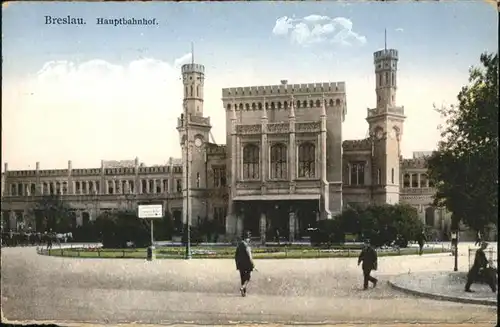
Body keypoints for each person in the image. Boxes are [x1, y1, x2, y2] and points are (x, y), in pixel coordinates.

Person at [235, 232, 255, 297]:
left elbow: (236, 255)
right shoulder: (247, 246)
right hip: (247, 264)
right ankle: (243, 287)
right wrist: (253, 264)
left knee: (242, 278)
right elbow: (250, 256)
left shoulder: (239, 245)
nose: (249, 240)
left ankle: (243, 292)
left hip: (240, 264)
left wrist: (237, 264)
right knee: (248, 277)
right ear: (247, 239)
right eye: (249, 238)